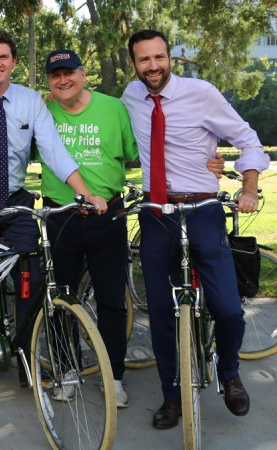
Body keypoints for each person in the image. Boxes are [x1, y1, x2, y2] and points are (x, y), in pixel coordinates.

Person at [0, 29, 106, 400]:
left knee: (30, 282)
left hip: (16, 200)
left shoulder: (30, 100)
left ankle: (25, 359)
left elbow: (54, 150)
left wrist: (86, 193)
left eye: (4, 57)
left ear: (14, 62)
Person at [121, 29, 270, 429]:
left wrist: (249, 187)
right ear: (133, 65)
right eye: (143, 60)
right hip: (156, 213)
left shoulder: (201, 92)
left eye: (158, 58)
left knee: (227, 309)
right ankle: (172, 395)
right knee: (163, 314)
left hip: (201, 208)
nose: (152, 66)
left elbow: (248, 140)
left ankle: (230, 373)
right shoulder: (130, 98)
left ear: (170, 57)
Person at [41, 49, 138, 407]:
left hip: (107, 217)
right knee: (61, 299)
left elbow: (131, 152)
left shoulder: (113, 109)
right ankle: (66, 372)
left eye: (69, 73)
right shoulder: (44, 111)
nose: (63, 80)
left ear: (83, 75)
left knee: (111, 300)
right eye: (55, 76)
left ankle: (114, 377)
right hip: (61, 216)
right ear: (49, 82)